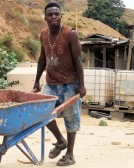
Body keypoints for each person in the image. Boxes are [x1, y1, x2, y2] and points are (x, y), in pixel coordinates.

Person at [32, 2, 86, 166]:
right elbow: (42, 59)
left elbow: (78, 60)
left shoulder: (70, 34)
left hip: (70, 83)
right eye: (50, 14)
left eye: (57, 14)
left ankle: (70, 155)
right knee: (43, 113)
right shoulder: (43, 34)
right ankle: (60, 141)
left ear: (61, 16)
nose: (54, 17)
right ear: (45, 18)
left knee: (71, 119)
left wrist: (81, 84)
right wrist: (36, 81)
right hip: (51, 83)